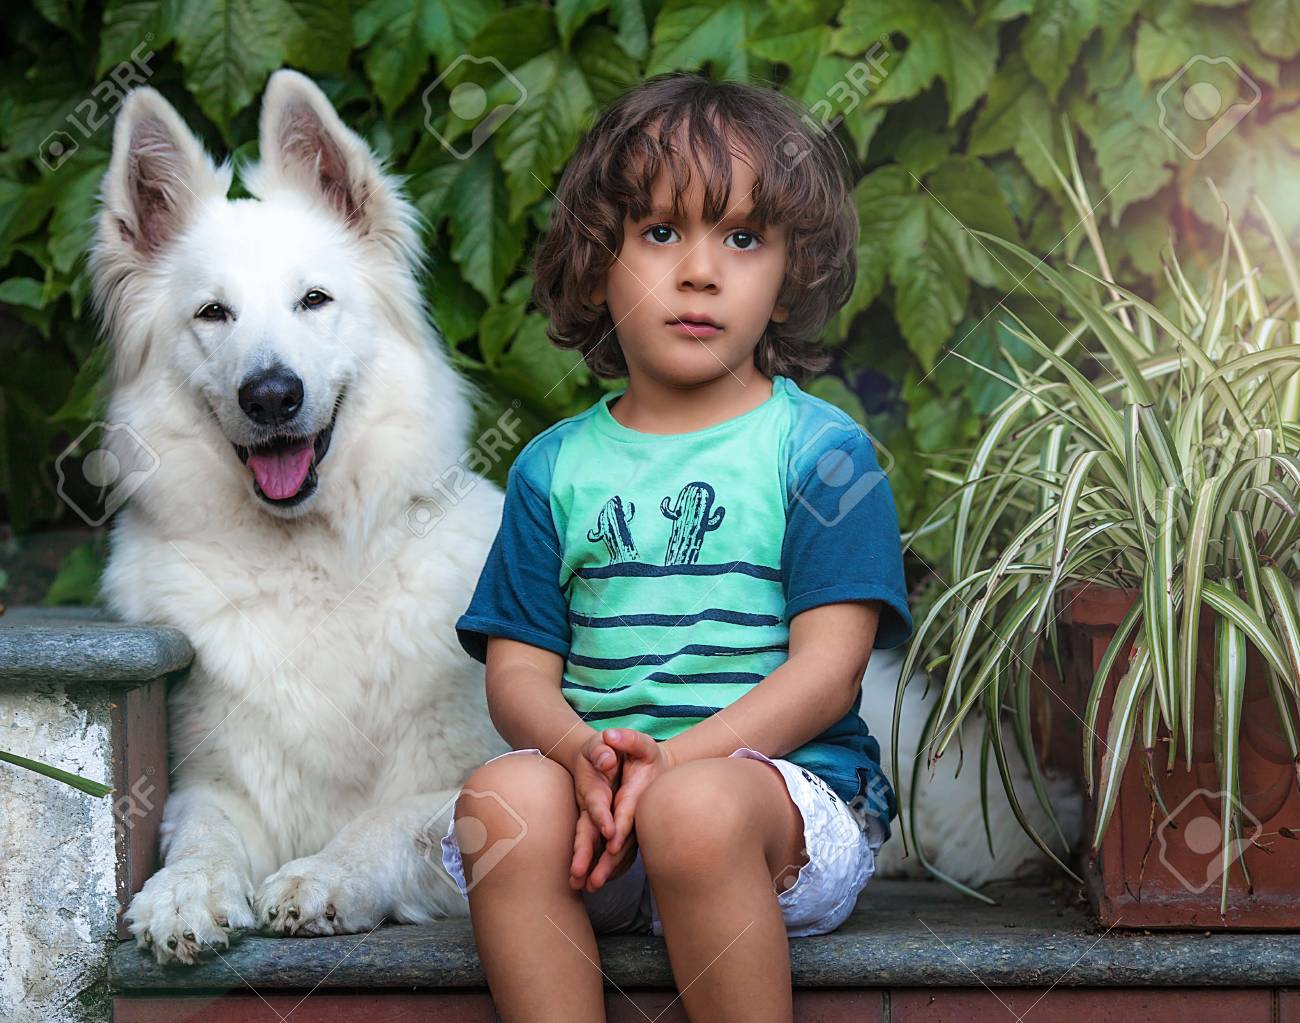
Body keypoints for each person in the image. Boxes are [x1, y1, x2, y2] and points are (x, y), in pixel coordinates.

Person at [440, 71, 913, 1023]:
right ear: (598, 259)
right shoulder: (552, 467)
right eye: (662, 232)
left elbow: (828, 674)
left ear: (789, 277)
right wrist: (582, 753)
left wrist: (678, 765)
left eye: (743, 238)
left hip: (779, 817)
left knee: (690, 811)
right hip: (604, 823)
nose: (701, 271)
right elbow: (518, 677)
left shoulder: (822, 455)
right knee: (500, 800)